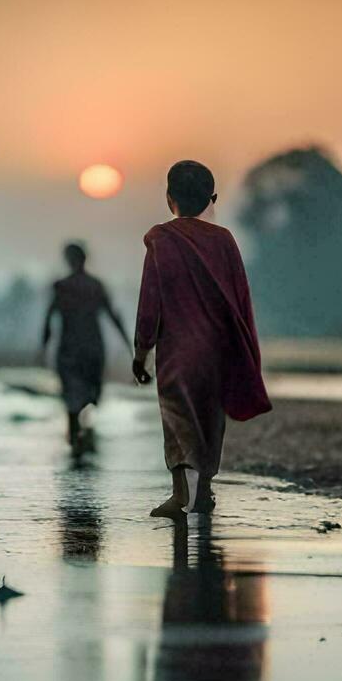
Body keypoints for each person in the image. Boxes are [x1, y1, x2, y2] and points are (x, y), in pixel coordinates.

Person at [132, 160, 271, 517]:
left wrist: (141, 351)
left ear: (168, 198)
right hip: (216, 348)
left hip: (177, 351)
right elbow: (241, 297)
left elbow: (151, 300)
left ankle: (180, 493)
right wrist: (245, 351)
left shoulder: (162, 239)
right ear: (213, 198)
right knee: (211, 418)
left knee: (177, 416)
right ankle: (205, 489)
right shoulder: (224, 240)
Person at [40, 240, 131, 456]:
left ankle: (75, 436)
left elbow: (48, 319)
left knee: (73, 396)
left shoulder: (62, 286)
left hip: (70, 350)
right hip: (91, 349)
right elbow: (112, 316)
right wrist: (129, 345)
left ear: (69, 260)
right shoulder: (95, 286)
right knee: (90, 394)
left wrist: (43, 347)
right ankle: (81, 434)